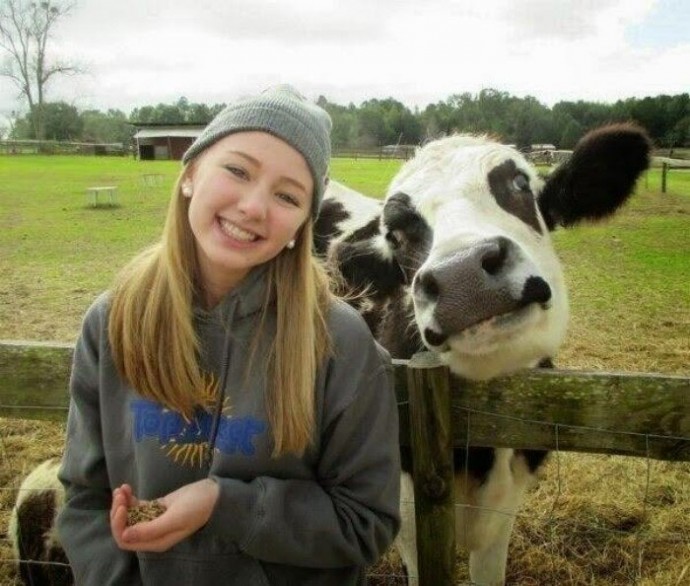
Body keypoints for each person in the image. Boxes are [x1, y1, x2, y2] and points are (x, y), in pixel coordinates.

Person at [57, 85, 401, 585]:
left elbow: (365, 522)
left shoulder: (339, 342)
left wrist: (223, 504)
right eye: (237, 170)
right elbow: (84, 500)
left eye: (288, 195)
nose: (254, 207)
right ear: (191, 173)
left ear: (305, 222)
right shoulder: (113, 322)